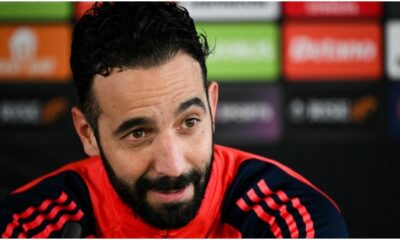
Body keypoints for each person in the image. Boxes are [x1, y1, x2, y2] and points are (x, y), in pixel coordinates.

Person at [0, 2, 348, 238]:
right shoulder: (27, 226)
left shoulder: (289, 220)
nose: (172, 165)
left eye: (189, 122)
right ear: (87, 133)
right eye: (138, 133)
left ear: (212, 107)